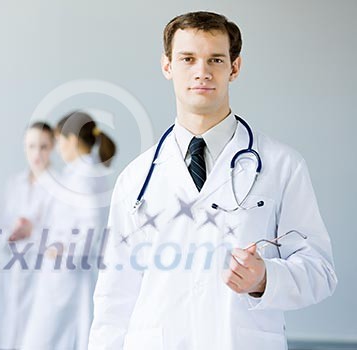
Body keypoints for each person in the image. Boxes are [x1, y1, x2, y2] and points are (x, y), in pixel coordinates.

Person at [88, 11, 337, 350]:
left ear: (234, 68)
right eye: (187, 59)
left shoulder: (282, 165)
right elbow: (113, 299)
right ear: (167, 66)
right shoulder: (136, 178)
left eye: (215, 59)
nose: (201, 72)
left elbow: (320, 272)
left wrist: (265, 278)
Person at [21, 112, 116, 350]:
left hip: (69, 271)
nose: (58, 148)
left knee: (47, 337)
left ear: (72, 139)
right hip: (63, 271)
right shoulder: (77, 173)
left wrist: (64, 250)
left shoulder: (84, 176)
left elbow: (91, 225)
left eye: (59, 141)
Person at [0, 122, 56, 350]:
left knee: (37, 336)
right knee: (9, 332)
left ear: (52, 147)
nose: (37, 153)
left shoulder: (60, 186)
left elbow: (62, 234)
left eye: (43, 147)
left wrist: (32, 232)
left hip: (41, 272)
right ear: (24, 147)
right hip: (13, 270)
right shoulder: (14, 183)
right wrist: (12, 232)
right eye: (32, 146)